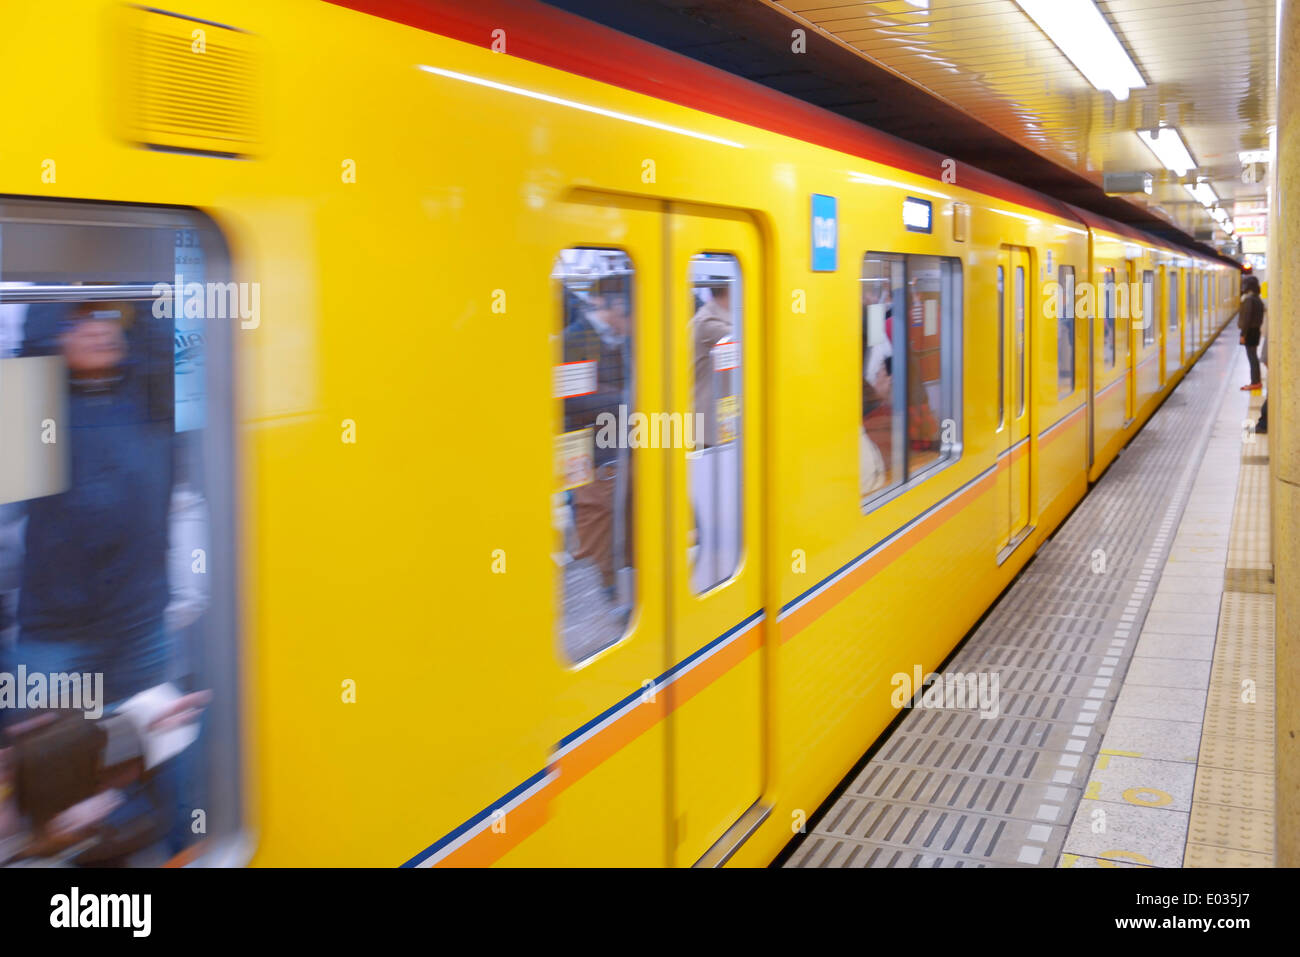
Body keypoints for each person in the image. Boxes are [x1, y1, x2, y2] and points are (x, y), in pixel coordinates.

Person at [561, 277, 633, 596]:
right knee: (592, 542)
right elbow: (572, 399)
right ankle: (595, 612)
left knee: (619, 538)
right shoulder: (573, 341)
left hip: (619, 454)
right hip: (588, 462)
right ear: (618, 306)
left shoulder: (622, 342)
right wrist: (626, 400)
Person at [1237, 275, 1265, 391]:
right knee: (1253, 357)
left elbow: (1247, 319)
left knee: (1252, 357)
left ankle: (1255, 382)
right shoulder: (1258, 299)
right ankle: (1256, 381)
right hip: (1255, 331)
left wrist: (1243, 335)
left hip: (1250, 332)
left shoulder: (1249, 300)